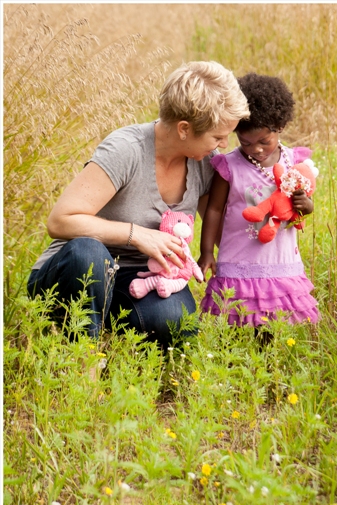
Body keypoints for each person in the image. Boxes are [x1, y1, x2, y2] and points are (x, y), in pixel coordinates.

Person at [27, 61, 250, 349]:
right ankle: (83, 357)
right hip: (75, 271)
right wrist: (137, 234)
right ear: (184, 129)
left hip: (139, 276)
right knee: (89, 252)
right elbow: (60, 221)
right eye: (218, 137)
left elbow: (219, 224)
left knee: (176, 320)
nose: (222, 145)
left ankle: (109, 327)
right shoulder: (126, 150)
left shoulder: (203, 163)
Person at [199, 73, 319, 327]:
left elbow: (301, 206)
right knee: (233, 318)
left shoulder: (293, 162)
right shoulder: (229, 165)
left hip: (279, 258)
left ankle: (265, 359)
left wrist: (306, 206)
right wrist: (207, 251)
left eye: (264, 141)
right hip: (239, 258)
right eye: (246, 142)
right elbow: (214, 210)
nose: (256, 149)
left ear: (280, 127)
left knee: (271, 320)